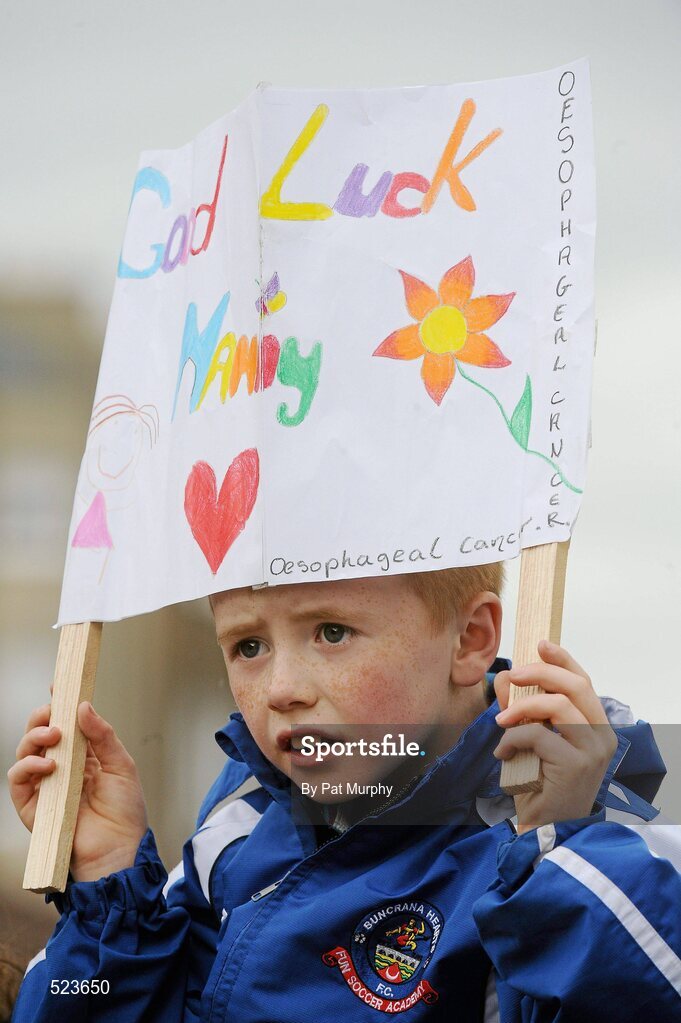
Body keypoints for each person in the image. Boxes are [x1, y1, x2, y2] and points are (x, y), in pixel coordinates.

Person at [8, 566, 681, 1021]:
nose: (280, 688)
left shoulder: (601, 841)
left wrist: (557, 847)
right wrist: (108, 891)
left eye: (331, 632)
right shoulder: (237, 829)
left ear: (469, 639)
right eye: (247, 645)